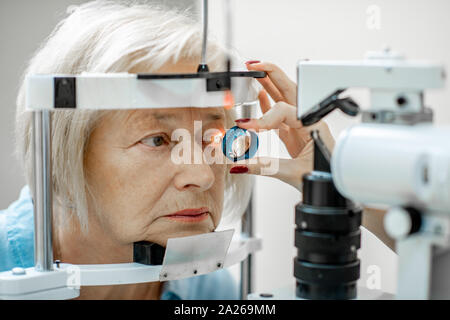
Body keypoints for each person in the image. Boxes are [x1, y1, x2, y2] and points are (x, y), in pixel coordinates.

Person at [0, 1, 393, 300]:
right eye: (157, 139)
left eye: (212, 138)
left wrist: (336, 181)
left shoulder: (203, 284)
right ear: (65, 153)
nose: (204, 175)